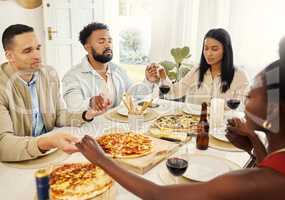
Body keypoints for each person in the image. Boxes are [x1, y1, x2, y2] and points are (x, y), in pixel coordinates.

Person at [75, 46, 285, 199]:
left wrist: (101, 159)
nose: (244, 99)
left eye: (251, 96)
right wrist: (253, 145)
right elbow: (270, 169)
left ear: (275, 109)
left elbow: (158, 194)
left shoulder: (250, 182)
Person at [0, 24, 101, 162]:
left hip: (49, 151)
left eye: (38, 48)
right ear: (9, 56)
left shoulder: (48, 74)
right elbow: (3, 145)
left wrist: (86, 114)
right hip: (18, 160)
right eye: (27, 51)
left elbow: (58, 115)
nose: (37, 55)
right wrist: (46, 142)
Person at [62, 22, 159, 112]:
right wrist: (91, 102)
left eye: (109, 41)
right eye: (101, 42)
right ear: (87, 47)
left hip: (113, 125)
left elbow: (136, 95)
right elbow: (74, 107)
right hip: (87, 127)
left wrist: (148, 80)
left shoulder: (117, 70)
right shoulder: (72, 76)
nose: (107, 45)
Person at [158, 28, 249, 104]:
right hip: (194, 123)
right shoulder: (197, 70)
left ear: (225, 50)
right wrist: (162, 75)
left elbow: (245, 107)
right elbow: (175, 92)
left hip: (223, 124)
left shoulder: (240, 76)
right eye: (206, 48)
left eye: (214, 49)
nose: (209, 54)